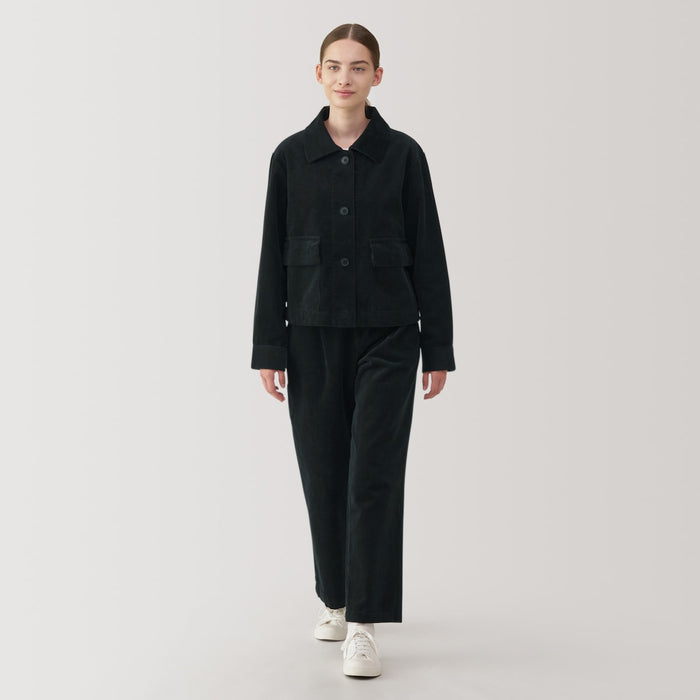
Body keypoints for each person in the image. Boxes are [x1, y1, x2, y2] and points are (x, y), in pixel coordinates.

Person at [250, 23, 456, 678]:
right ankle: (334, 598)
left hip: (391, 335)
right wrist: (268, 346)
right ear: (318, 74)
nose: (346, 78)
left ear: (377, 77)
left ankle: (363, 622)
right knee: (323, 471)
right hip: (309, 335)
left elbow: (429, 250)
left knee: (374, 474)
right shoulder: (290, 158)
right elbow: (272, 256)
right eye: (335, 66)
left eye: (359, 67)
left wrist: (438, 346)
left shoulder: (403, 156)